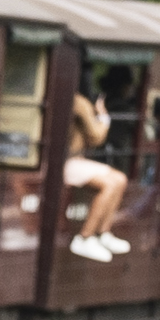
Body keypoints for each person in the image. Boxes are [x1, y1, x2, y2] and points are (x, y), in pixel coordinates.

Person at [60, 85, 130, 259]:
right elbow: (96, 136)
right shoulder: (80, 102)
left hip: (73, 160)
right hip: (66, 162)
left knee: (120, 178)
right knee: (109, 184)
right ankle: (85, 237)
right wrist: (104, 117)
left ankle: (102, 233)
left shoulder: (73, 99)